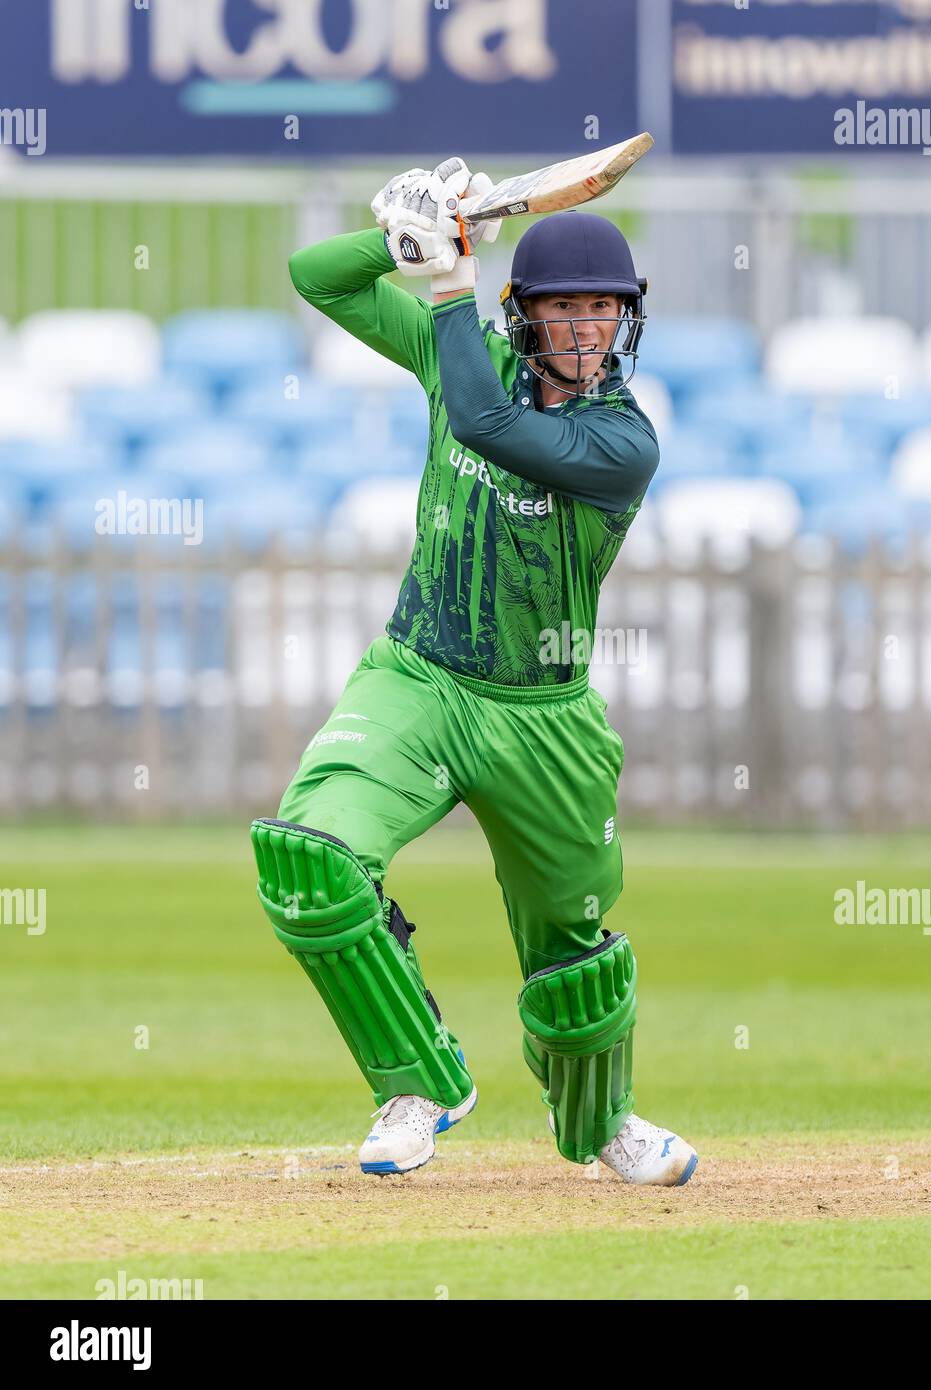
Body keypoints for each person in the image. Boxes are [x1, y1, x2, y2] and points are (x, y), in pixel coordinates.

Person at [249, 157, 697, 1187]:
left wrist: (447, 281)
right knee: (312, 862)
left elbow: (491, 427)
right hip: (419, 678)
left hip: (546, 719)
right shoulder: (469, 350)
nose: (585, 329)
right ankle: (418, 1082)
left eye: (603, 311)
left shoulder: (622, 440)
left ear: (626, 320)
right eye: (563, 308)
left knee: (576, 967)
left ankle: (604, 1124)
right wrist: (426, 232)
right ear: (524, 313)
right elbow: (317, 274)